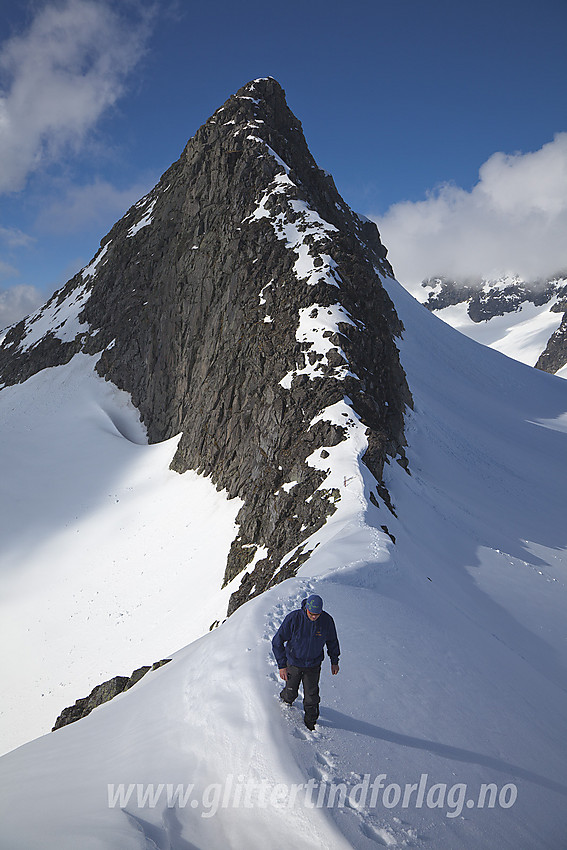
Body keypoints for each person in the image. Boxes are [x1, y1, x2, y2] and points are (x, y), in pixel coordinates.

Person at [272, 593, 340, 731]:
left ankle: (311, 724)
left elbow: (332, 642)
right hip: (294, 663)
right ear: (306, 608)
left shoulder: (326, 621)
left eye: (317, 614)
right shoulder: (294, 618)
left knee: (311, 697)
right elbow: (277, 641)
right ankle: (284, 704)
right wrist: (282, 666)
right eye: (311, 613)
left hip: (313, 665)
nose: (314, 616)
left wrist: (334, 661)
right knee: (291, 692)